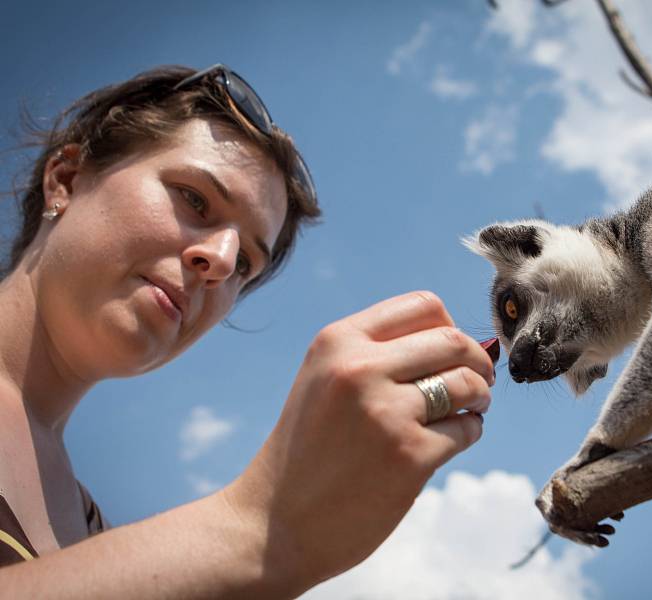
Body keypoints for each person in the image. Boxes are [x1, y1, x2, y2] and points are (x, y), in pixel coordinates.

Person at [0, 64, 495, 598]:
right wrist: (263, 530)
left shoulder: (89, 527)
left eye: (245, 265)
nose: (219, 259)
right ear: (66, 180)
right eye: (195, 199)